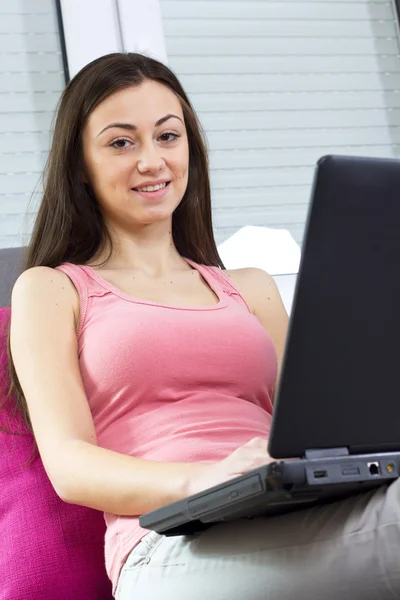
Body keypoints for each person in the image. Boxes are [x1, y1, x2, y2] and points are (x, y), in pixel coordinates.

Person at [8, 53, 399, 600]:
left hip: (289, 509)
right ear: (80, 164)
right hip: (169, 542)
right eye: (122, 142)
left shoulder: (251, 285)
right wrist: (207, 479)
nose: (152, 161)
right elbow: (70, 465)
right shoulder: (53, 289)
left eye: (168, 136)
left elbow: (320, 427)